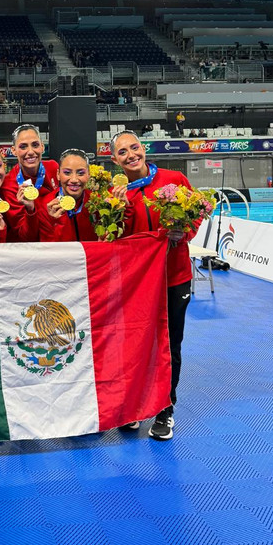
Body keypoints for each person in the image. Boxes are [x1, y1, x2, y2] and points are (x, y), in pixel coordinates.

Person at [110, 131, 199, 441]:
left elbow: (197, 214)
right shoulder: (117, 191)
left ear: (143, 149)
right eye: (123, 152)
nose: (131, 155)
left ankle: (165, 408)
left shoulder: (174, 178)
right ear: (115, 160)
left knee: (171, 345)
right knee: (135, 346)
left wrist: (184, 233)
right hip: (137, 284)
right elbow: (115, 238)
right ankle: (134, 406)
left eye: (134, 148)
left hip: (174, 278)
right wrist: (118, 211)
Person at [0, 124, 59, 242]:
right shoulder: (9, 185)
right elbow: (25, 237)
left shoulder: (53, 167)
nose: (30, 151)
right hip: (28, 251)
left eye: (35, 145)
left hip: (55, 240)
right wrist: (30, 210)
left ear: (42, 147)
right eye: (23, 146)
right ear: (14, 151)